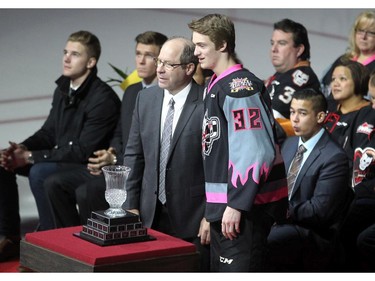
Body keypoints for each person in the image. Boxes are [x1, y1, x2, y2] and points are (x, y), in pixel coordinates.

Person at [0, 30, 121, 262]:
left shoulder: (103, 99)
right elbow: (49, 132)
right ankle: (11, 237)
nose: (66, 58)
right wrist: (21, 149)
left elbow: (82, 151)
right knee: (4, 162)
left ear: (91, 62)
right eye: (65, 52)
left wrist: (31, 157)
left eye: (75, 54)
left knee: (39, 170)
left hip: (86, 166)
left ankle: (50, 237)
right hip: (63, 158)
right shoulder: (63, 88)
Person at [188, 14, 288, 272]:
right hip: (226, 207)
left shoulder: (239, 87)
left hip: (245, 208)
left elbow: (256, 151)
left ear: (222, 45)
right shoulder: (217, 82)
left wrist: (236, 204)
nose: (195, 52)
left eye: (201, 45)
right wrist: (213, 210)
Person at [44, 31, 168, 228]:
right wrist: (110, 152)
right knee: (54, 183)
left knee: (87, 191)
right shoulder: (131, 91)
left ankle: (97, 244)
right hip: (118, 166)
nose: (141, 61)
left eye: (149, 56)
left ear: (161, 60)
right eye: (138, 54)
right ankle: (71, 244)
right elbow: (121, 131)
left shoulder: (165, 95)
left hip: (138, 172)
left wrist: (115, 160)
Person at [123, 36, 210, 272]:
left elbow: (217, 165)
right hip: (148, 214)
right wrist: (130, 205)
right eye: (158, 61)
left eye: (168, 64)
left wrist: (211, 215)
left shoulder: (207, 103)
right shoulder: (145, 99)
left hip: (192, 219)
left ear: (189, 68)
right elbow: (134, 155)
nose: (159, 69)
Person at [266, 88, 352, 271]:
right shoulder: (289, 144)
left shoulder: (334, 157)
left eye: (302, 113)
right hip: (283, 221)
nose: (294, 119)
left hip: (313, 234)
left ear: (320, 117)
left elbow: (319, 211)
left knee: (269, 239)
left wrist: (278, 210)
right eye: (292, 112)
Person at [338, 69, 375, 271]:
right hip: (356, 192)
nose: (374, 106)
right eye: (372, 99)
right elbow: (349, 153)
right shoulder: (365, 113)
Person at [265, 18, 321, 139]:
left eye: (282, 43)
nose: (274, 49)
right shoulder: (283, 74)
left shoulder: (301, 78)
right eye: (272, 43)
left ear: (299, 50)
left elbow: (270, 118)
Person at [321, 10, 375, 111]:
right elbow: (324, 87)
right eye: (360, 31)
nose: (364, 37)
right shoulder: (343, 59)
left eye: (370, 33)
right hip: (330, 116)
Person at [323, 58, 370, 164]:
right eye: (333, 79)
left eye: (342, 79)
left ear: (358, 80)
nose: (335, 84)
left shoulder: (369, 114)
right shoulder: (327, 109)